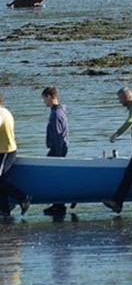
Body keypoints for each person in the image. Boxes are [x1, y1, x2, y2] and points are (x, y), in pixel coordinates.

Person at [0, 93, 31, 217]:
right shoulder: (6, 111)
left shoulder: (2, 114)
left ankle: (23, 197)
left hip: (6, 152)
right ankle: (4, 209)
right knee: (1, 180)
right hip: (5, 151)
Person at [41, 87, 70, 216]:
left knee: (52, 176)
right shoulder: (58, 111)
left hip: (58, 149)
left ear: (49, 97)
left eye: (44, 99)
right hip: (59, 148)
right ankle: (58, 204)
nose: (44, 102)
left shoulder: (56, 114)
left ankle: (59, 205)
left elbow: (58, 136)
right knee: (54, 177)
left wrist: (57, 158)